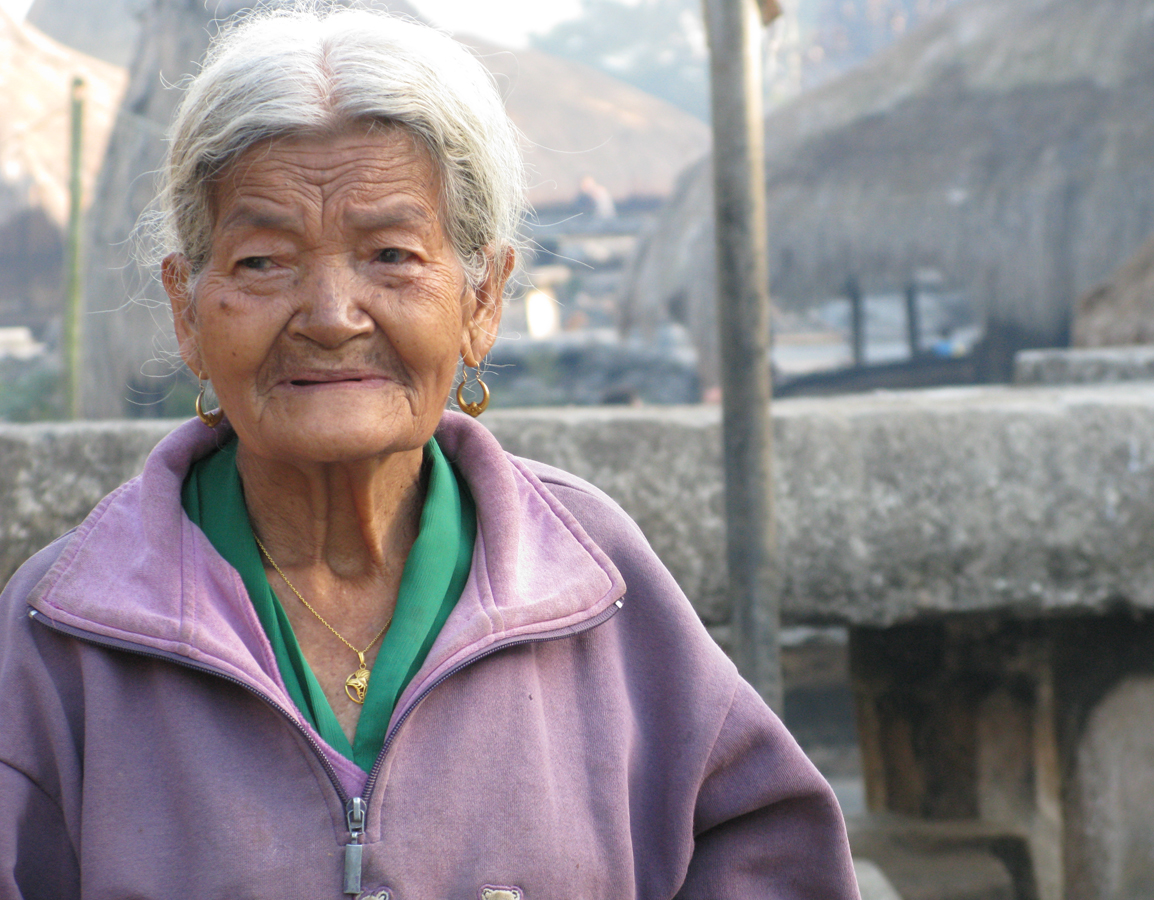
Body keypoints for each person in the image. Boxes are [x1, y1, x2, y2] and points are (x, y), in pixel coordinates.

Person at [0, 6, 859, 898]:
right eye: (262, 261)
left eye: (391, 255)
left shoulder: (592, 581)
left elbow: (765, 859)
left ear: (482, 300)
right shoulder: (65, 630)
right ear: (186, 306)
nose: (332, 315)